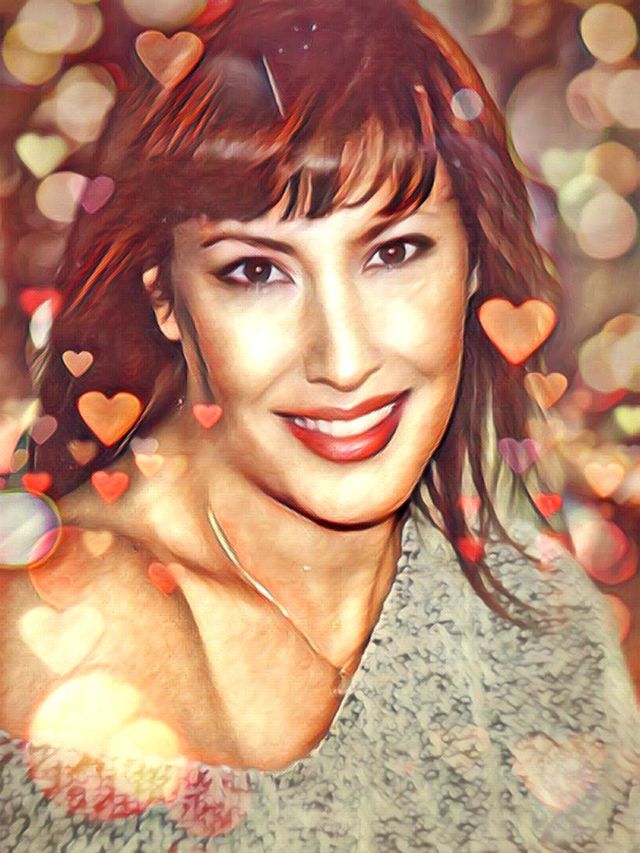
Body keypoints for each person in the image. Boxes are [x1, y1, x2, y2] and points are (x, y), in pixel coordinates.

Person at [1, 0, 638, 849]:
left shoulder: (547, 626)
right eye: (256, 271)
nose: (342, 360)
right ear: (166, 298)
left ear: (474, 263)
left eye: (394, 252)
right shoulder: (38, 638)